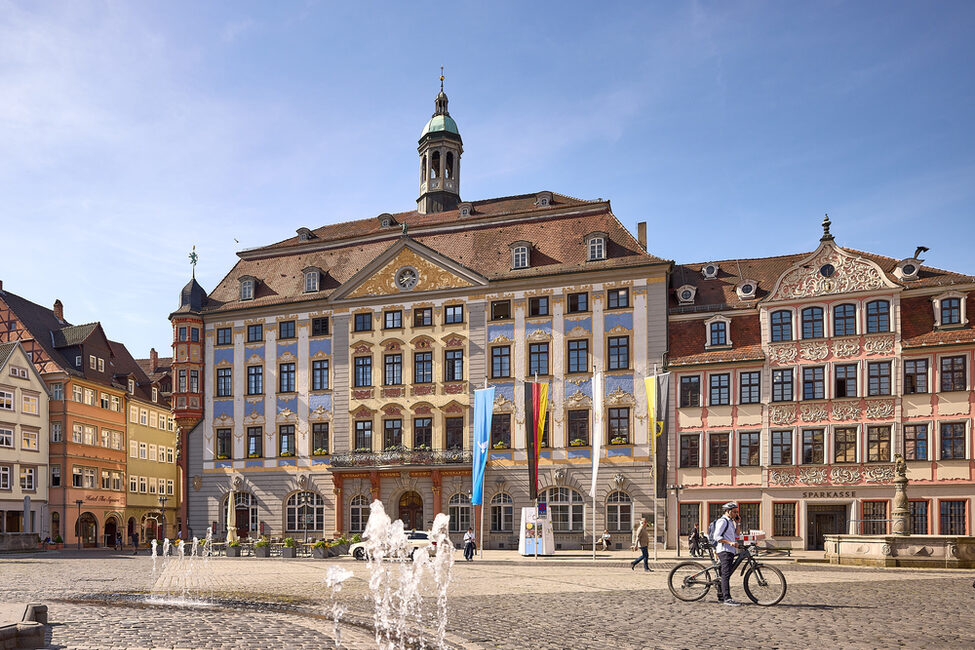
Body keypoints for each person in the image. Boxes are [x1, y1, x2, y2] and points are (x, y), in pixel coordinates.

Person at [711, 501, 741, 606]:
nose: (736, 514)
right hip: (724, 551)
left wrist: (738, 523)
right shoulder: (722, 521)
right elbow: (717, 537)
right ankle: (727, 598)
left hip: (730, 551)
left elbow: (737, 534)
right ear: (728, 511)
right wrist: (730, 543)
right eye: (734, 512)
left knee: (723, 574)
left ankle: (720, 596)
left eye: (737, 512)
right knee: (726, 575)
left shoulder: (730, 522)